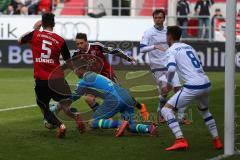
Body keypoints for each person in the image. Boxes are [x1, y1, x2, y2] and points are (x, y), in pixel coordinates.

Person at [18, 13, 84, 138]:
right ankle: (76, 116)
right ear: (53, 24)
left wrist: (35, 28)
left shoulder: (35, 35)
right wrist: (77, 71)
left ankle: (61, 126)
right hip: (58, 78)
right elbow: (68, 62)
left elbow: (20, 40)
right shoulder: (60, 40)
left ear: (42, 23)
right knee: (65, 106)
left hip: (41, 79)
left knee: (43, 106)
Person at [160, 26, 223, 151]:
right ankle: (217, 140)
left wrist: (168, 84)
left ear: (170, 37)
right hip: (206, 82)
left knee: (166, 110)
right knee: (204, 111)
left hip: (193, 85)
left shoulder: (171, 50)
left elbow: (171, 68)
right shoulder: (189, 47)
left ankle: (180, 139)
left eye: (166, 35)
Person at [71, 33, 150, 121]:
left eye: (81, 43)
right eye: (77, 44)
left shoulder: (96, 46)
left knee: (122, 95)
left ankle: (140, 107)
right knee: (89, 98)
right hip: (94, 80)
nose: (79, 46)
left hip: (107, 75)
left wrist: (128, 58)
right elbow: (71, 65)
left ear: (86, 41)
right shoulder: (76, 53)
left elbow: (114, 51)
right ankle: (105, 118)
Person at [68, 65, 158, 137]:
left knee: (92, 122)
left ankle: (120, 123)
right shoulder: (96, 75)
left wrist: (63, 102)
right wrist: (140, 107)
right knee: (130, 126)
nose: (75, 72)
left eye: (75, 70)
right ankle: (149, 128)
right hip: (126, 97)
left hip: (115, 99)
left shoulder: (84, 79)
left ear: (80, 70)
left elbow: (75, 96)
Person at [139, 9, 190, 124]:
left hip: (170, 63)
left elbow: (174, 44)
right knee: (165, 91)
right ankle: (160, 112)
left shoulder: (168, 31)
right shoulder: (148, 32)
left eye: (160, 17)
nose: (158, 20)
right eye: (156, 18)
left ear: (164, 18)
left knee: (178, 90)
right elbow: (141, 49)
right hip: (157, 65)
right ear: (153, 19)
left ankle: (181, 117)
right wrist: (154, 46)